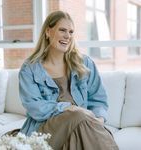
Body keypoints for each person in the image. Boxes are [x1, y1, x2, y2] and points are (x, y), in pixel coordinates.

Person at [19, 10, 119, 150]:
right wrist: (69, 109)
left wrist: (98, 120)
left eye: (71, 32)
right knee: (78, 116)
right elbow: (35, 107)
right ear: (48, 32)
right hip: (46, 129)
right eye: (62, 30)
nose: (68, 36)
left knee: (78, 129)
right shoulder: (29, 68)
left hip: (81, 124)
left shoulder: (85, 63)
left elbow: (98, 100)